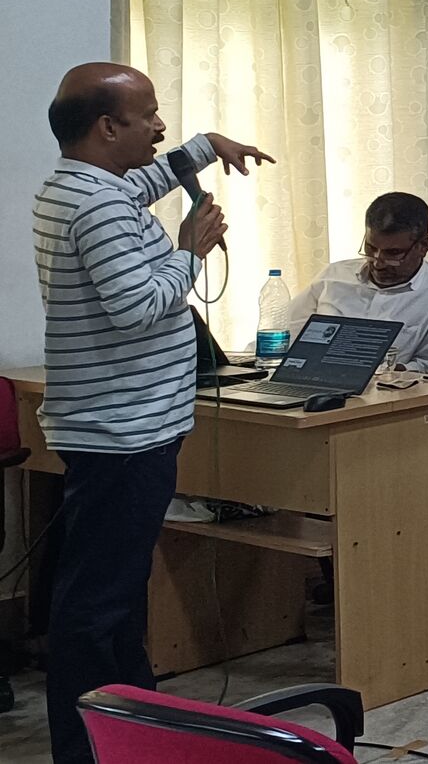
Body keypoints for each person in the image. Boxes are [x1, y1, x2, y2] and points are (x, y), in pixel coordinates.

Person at [34, 63, 270, 764]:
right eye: (149, 116)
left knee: (116, 597)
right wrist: (188, 250)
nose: (161, 126)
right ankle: (88, 748)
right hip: (122, 434)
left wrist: (205, 148)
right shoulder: (97, 207)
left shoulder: (80, 184)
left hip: (119, 425)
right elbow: (137, 307)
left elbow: (141, 184)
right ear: (108, 127)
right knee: (97, 606)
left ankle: (135, 731)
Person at [280, 190, 428, 372]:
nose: (378, 263)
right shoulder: (333, 276)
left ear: (423, 246)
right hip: (310, 379)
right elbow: (285, 335)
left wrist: (377, 371)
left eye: (393, 253)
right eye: (370, 248)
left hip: (387, 386)